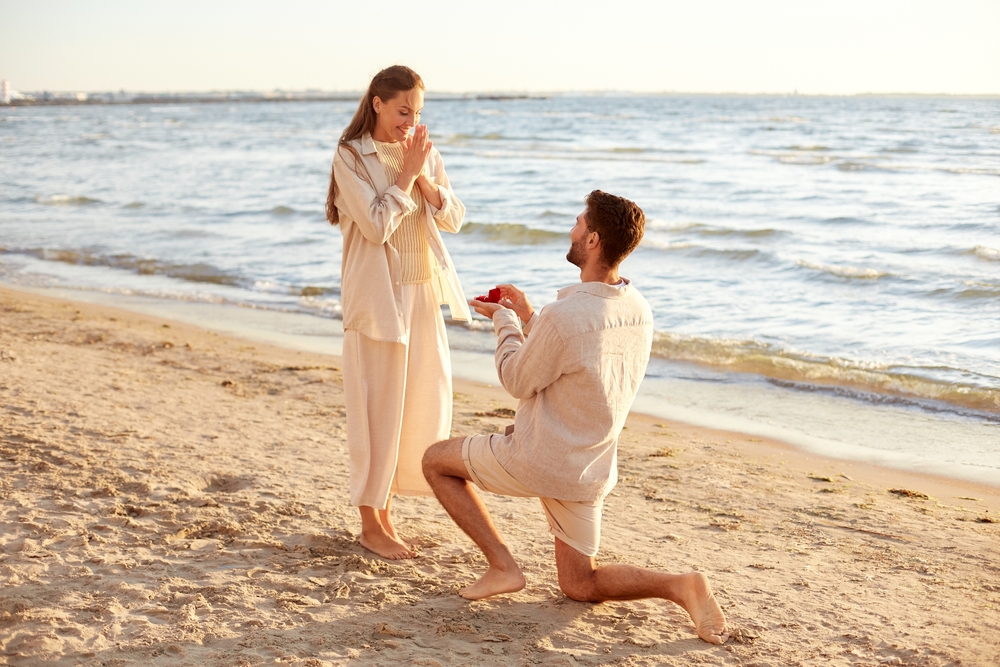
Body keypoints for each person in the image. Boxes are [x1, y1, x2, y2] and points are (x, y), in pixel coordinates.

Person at [422, 190, 729, 644]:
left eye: (578, 224)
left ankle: (502, 565)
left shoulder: (564, 317)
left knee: (434, 460)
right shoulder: (638, 310)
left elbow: (517, 379)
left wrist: (505, 322)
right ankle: (680, 585)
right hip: (588, 467)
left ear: (594, 241)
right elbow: (576, 357)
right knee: (579, 583)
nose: (572, 230)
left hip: (536, 457)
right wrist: (529, 315)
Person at [326, 65, 470, 560]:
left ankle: (386, 516)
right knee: (376, 412)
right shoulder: (351, 156)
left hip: (422, 293)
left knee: (417, 409)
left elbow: (455, 218)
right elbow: (377, 226)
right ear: (377, 104)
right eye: (403, 110)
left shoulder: (422, 152)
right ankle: (370, 523)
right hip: (377, 298)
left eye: (418, 112)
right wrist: (409, 174)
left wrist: (428, 184)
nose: (411, 121)